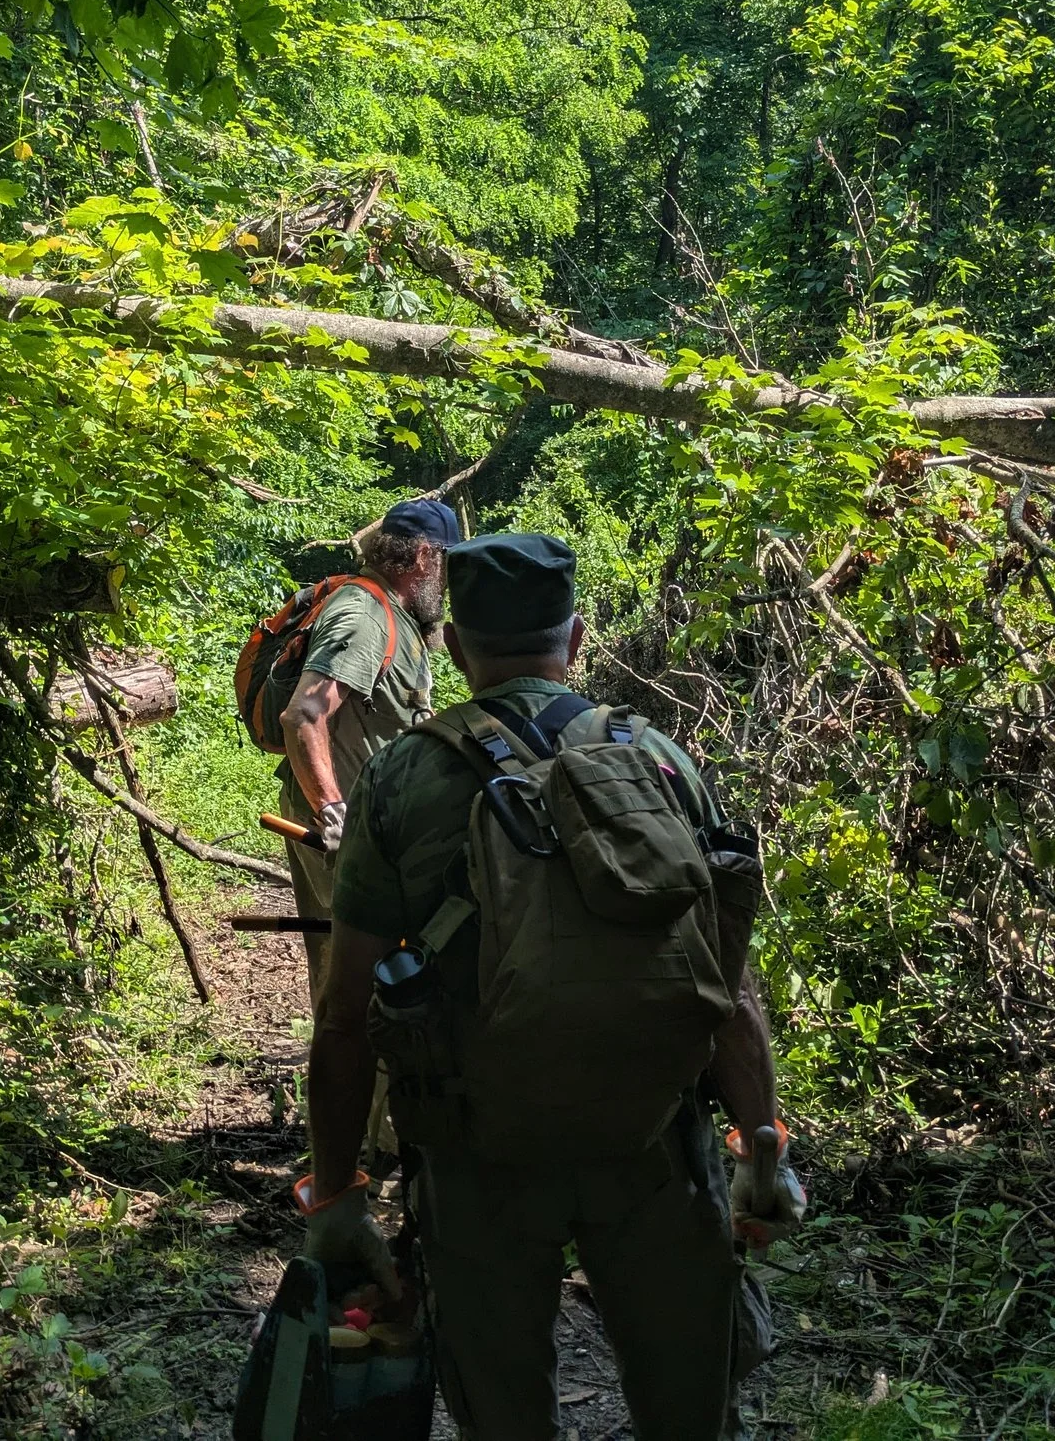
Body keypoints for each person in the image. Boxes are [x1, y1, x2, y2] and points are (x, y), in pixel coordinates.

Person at [297, 532, 805, 1441]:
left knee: (504, 1418)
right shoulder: (658, 759)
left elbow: (343, 1020)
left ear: (454, 649)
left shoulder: (402, 778)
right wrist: (758, 1147)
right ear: (575, 638)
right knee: (691, 1413)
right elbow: (726, 987)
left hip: (477, 1158)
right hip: (653, 1146)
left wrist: (337, 1195)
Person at [276, 495, 456, 999]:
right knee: (367, 967)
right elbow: (304, 714)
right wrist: (335, 813)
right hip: (346, 820)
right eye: (447, 563)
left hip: (368, 820)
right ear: (424, 556)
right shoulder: (364, 616)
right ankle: (358, 1070)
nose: (447, 581)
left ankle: (345, 1065)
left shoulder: (393, 615)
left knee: (347, 957)